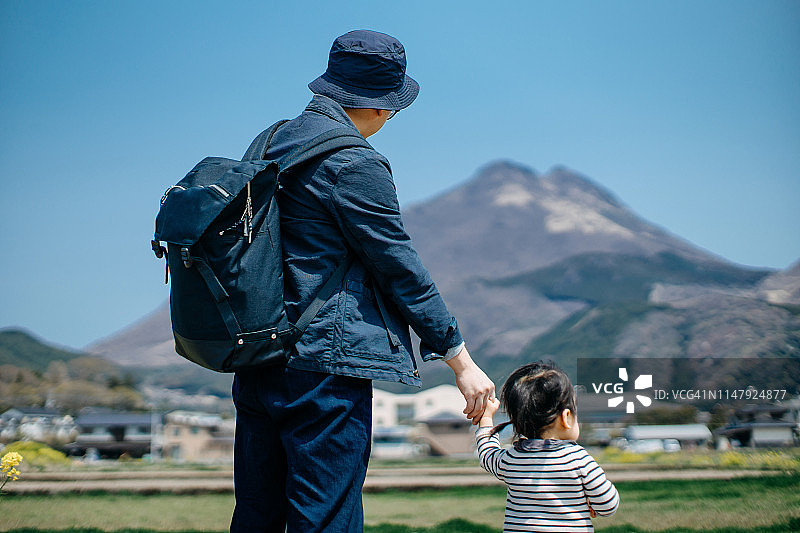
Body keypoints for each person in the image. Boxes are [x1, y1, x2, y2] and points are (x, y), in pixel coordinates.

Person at [230, 30, 495, 533]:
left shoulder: (268, 142)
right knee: (327, 520)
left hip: (258, 357)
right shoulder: (353, 160)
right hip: (324, 369)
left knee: (257, 517)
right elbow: (398, 266)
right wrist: (460, 360)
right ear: (377, 106)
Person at [476, 361, 619, 532]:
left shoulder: (512, 458)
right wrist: (592, 504)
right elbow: (607, 504)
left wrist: (486, 418)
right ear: (566, 417)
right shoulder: (578, 458)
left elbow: (486, 454)